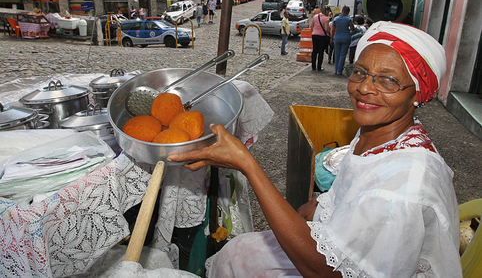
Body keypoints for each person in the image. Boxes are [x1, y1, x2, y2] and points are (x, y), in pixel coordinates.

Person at [168, 21, 462, 278]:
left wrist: (248, 165)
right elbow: (356, 187)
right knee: (238, 252)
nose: (365, 88)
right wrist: (324, 203)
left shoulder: (404, 189)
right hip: (337, 251)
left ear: (418, 94)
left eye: (389, 80)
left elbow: (324, 271)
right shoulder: (379, 133)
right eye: (360, 72)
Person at [331, 5, 354, 75]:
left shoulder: (336, 19)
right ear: (347, 12)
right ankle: (339, 70)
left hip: (337, 37)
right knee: (343, 54)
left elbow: (333, 30)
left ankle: (336, 69)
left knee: (337, 53)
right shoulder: (348, 19)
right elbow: (352, 29)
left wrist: (332, 38)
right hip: (346, 37)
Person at [310, 7, 330, 71]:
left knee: (314, 50)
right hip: (322, 36)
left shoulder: (315, 16)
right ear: (327, 11)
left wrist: (313, 31)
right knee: (321, 51)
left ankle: (313, 66)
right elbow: (326, 29)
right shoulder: (326, 18)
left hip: (314, 34)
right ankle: (319, 66)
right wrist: (329, 33)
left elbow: (311, 25)